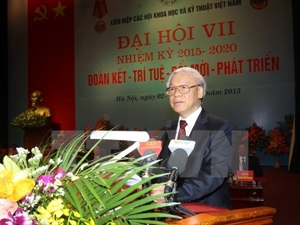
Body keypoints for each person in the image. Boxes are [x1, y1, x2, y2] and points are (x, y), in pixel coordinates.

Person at [150, 67, 236, 209]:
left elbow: (214, 175)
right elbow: (164, 169)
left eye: (184, 87)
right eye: (171, 89)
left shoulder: (221, 127)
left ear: (200, 91)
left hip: (207, 212)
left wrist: (171, 193)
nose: (176, 94)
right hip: (169, 213)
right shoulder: (168, 129)